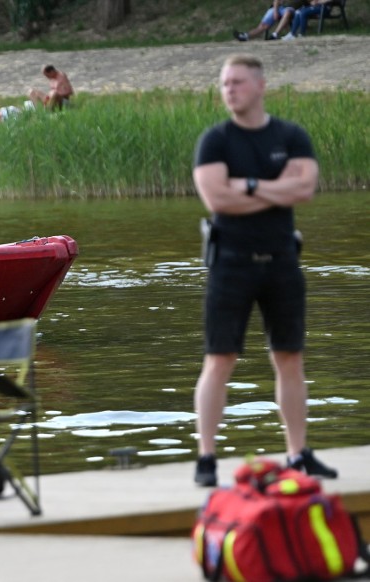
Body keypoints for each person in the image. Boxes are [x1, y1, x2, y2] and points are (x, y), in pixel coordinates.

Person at [191, 54, 337, 487]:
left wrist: (248, 185)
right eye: (224, 83)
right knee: (220, 358)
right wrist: (275, 189)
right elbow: (217, 200)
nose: (228, 89)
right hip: (230, 264)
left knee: (290, 357)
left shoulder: (290, 136)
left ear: (260, 85)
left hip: (282, 262)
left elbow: (306, 188)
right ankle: (206, 458)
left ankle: (297, 454)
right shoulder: (214, 141)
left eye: (237, 82)